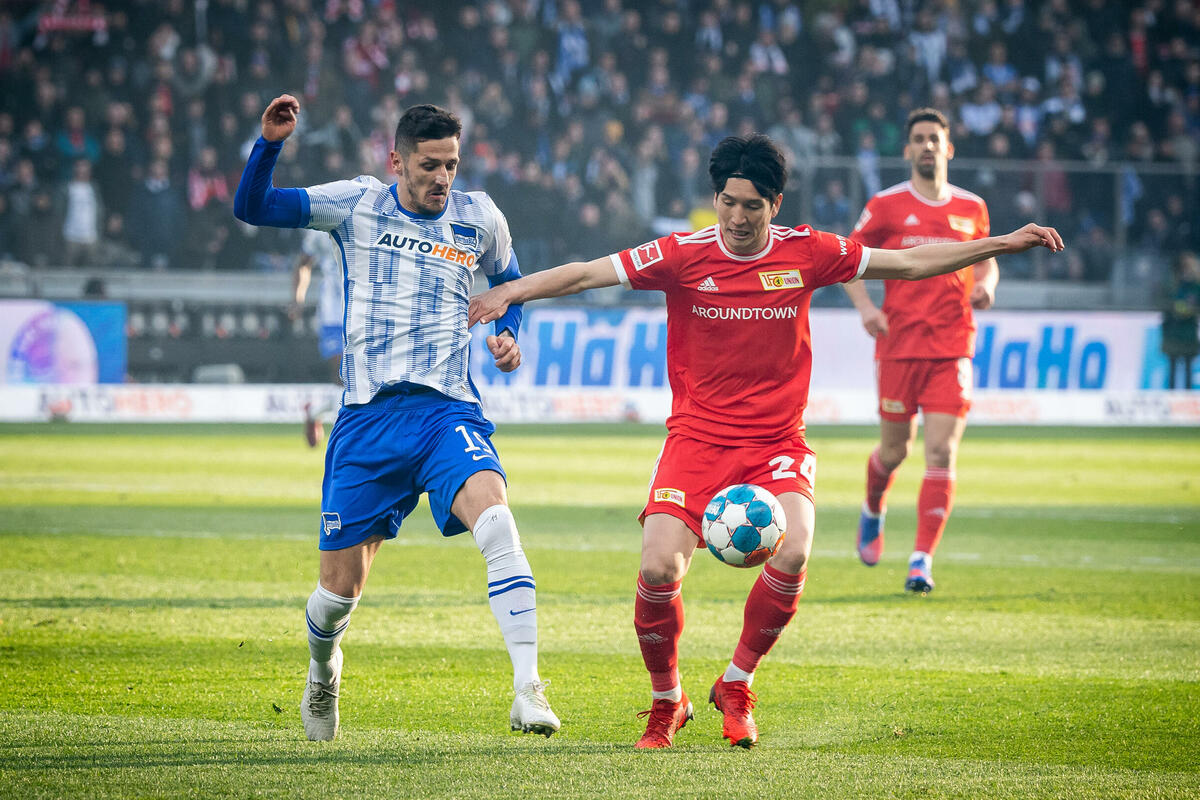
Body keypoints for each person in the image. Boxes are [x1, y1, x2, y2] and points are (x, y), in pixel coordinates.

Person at [469, 133, 1062, 750]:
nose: (737, 217)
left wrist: (1001, 244)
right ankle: (667, 701)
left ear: (775, 205)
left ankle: (737, 682)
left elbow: (908, 264)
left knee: (795, 551)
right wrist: (511, 290)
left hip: (776, 441)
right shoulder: (682, 254)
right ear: (715, 199)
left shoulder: (809, 251)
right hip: (696, 439)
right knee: (657, 566)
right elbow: (589, 274)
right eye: (727, 202)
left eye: (752, 205)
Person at [233, 95, 560, 741]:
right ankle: (323, 669)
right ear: (397, 162)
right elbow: (254, 207)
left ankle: (529, 690)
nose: (442, 178)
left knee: (498, 523)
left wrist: (508, 331)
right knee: (337, 596)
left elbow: (510, 282)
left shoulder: (480, 216)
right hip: (368, 420)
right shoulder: (355, 203)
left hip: (446, 411)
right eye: (429, 165)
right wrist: (269, 145)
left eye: (451, 165)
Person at [842, 108, 998, 595]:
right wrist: (867, 308)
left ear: (948, 148)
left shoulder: (972, 207)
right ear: (908, 149)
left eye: (934, 138)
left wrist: (987, 284)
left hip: (953, 346)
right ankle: (873, 507)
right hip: (899, 346)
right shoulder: (886, 205)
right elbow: (848, 259)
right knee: (894, 451)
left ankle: (920, 561)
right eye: (919, 138)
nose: (927, 145)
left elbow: (986, 258)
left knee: (941, 452)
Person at [290, 227, 345, 447]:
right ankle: (345, 437)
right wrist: (297, 300)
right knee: (341, 374)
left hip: (365, 310)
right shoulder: (320, 228)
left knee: (358, 378)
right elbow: (303, 262)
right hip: (333, 312)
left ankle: (315, 412)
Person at [1161, 251, 1200, 390]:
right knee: (1172, 366)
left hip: (1188, 331)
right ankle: (1170, 394)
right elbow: (1164, 302)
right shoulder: (1172, 284)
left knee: (1188, 366)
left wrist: (1190, 310)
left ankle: (1188, 395)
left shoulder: (1196, 286)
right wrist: (1174, 308)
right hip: (1173, 330)